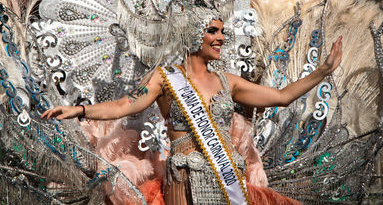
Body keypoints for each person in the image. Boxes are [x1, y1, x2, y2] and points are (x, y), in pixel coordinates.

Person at [41, 17, 343, 204]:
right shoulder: (165, 77)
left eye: (222, 32)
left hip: (229, 181)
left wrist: (323, 70)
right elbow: (123, 105)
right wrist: (79, 109)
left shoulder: (229, 81)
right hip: (185, 182)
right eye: (213, 31)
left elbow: (281, 96)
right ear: (192, 34)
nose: (221, 38)